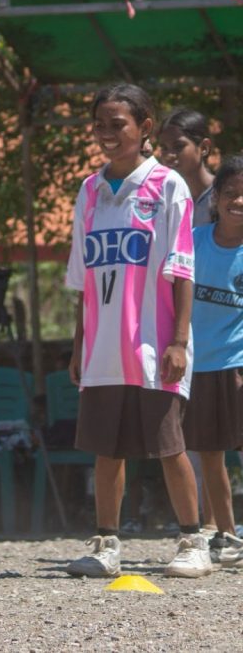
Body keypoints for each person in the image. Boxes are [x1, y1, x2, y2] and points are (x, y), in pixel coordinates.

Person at [64, 83, 211, 579]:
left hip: (153, 344)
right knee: (108, 447)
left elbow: (183, 268)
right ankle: (106, 543)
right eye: (99, 124)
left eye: (117, 124)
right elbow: (83, 278)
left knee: (169, 445)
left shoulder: (168, 186)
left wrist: (179, 339)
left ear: (145, 127)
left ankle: (194, 541)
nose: (106, 134)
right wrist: (79, 343)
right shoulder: (88, 191)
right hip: (103, 347)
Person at [157, 108, 219, 532]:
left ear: (205, 148)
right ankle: (205, 529)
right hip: (188, 329)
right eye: (164, 149)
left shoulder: (227, 200)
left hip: (226, 326)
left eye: (179, 147)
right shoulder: (166, 197)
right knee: (194, 432)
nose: (170, 156)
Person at [179, 155, 243, 566]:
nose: (239, 201)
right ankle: (226, 534)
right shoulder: (194, 241)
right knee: (210, 453)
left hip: (238, 364)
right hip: (198, 365)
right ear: (216, 197)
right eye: (232, 193)